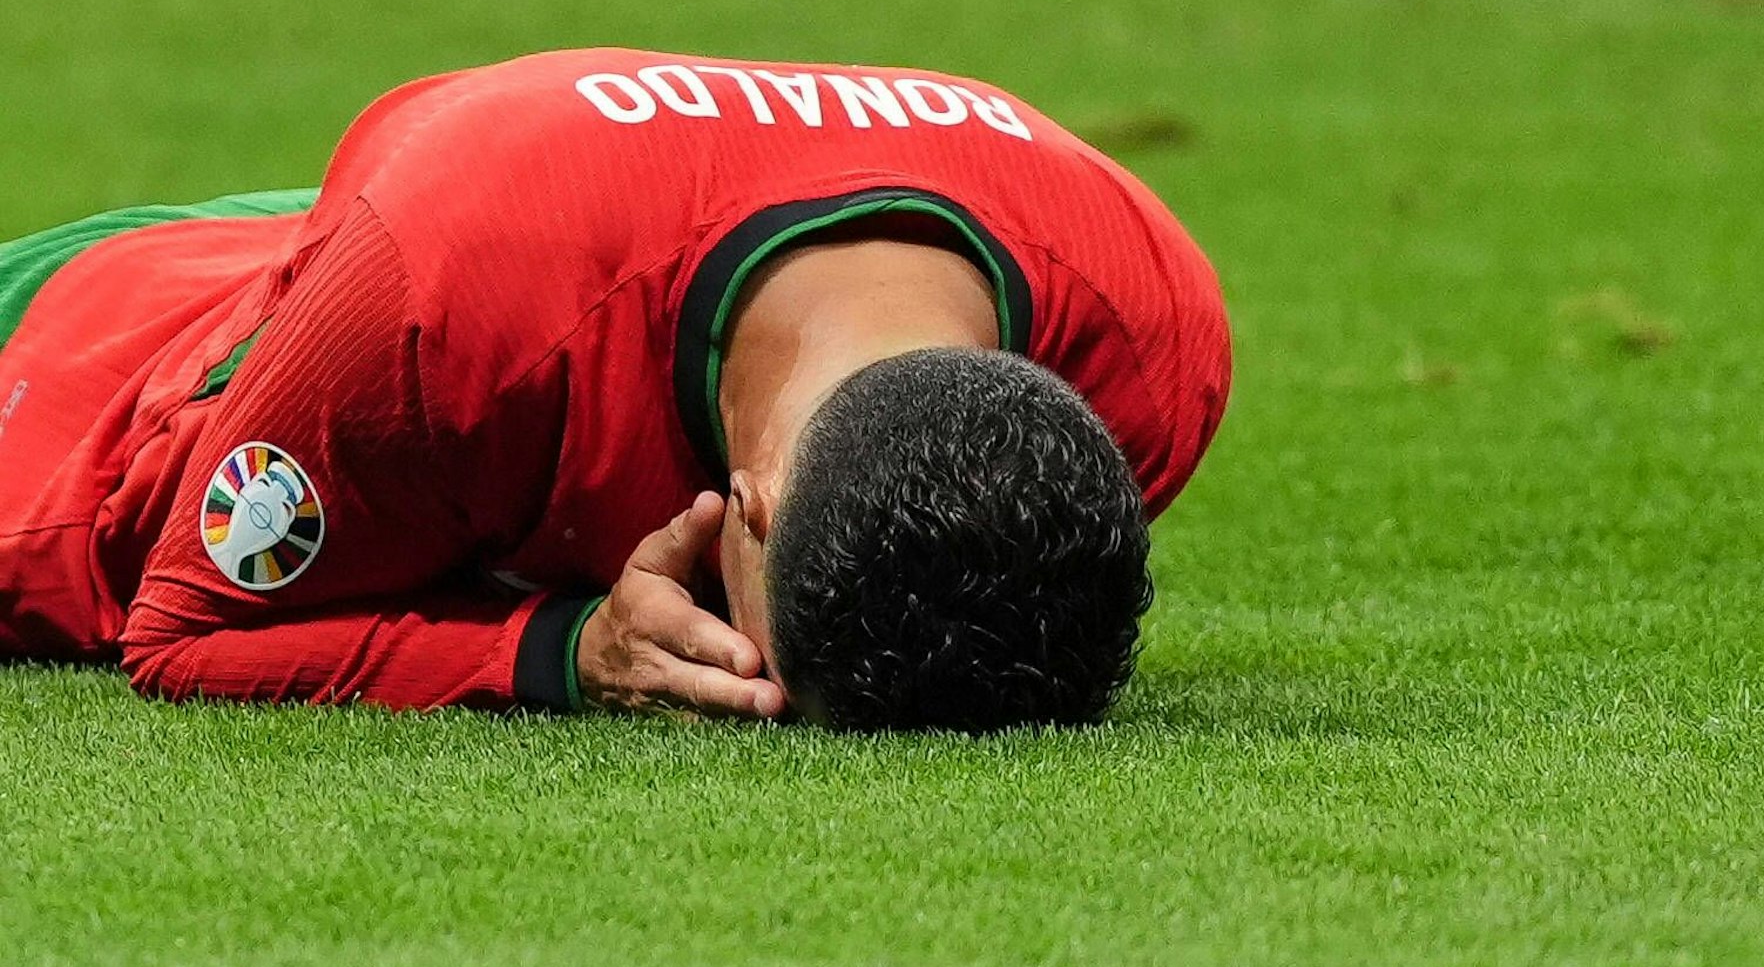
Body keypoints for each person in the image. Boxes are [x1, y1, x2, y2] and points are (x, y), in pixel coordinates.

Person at [0, 49, 1231, 731]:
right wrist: (560, 648)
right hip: (95, 361)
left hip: (434, 272)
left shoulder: (1152, 352)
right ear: (739, 505)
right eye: (774, 670)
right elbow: (183, 629)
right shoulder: (441, 304)